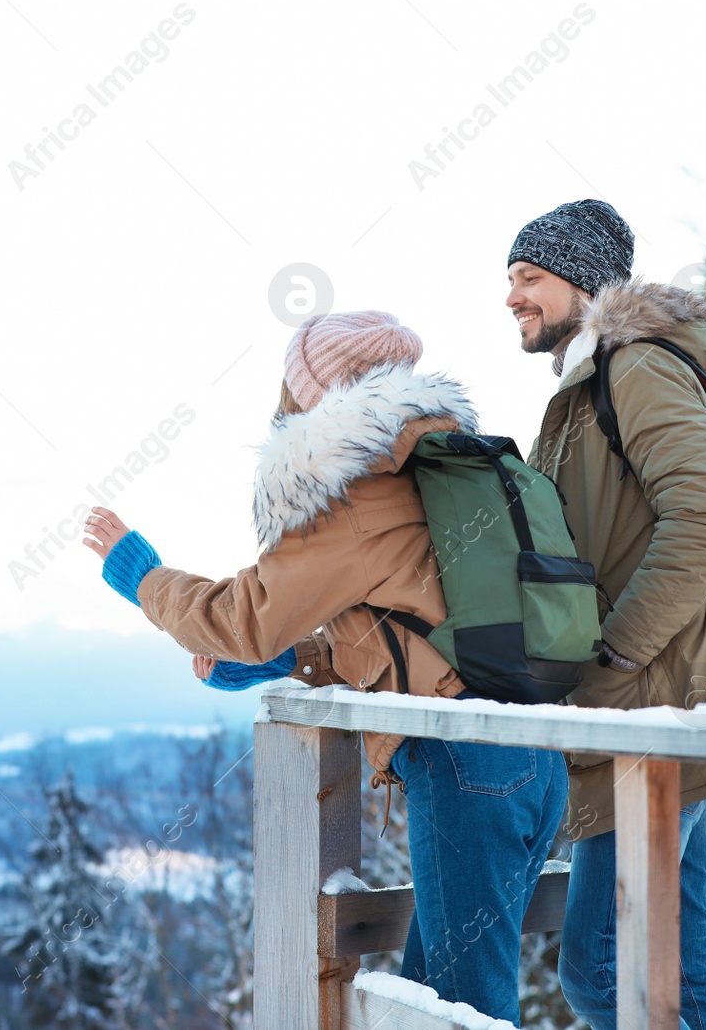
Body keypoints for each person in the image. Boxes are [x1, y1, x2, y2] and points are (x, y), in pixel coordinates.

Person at [82, 311, 567, 1025]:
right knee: (432, 1002)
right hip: (533, 755)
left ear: (312, 394)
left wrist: (142, 574)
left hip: (465, 764)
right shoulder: (442, 466)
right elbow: (402, 627)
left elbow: (242, 617)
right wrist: (288, 661)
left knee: (466, 1011)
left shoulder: (351, 491)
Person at [506, 199, 706, 1030]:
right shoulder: (586, 388)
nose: (512, 296)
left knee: (594, 970)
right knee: (684, 964)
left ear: (582, 282)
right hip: (648, 710)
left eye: (529, 277)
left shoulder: (635, 369)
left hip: (650, 712)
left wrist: (615, 651)